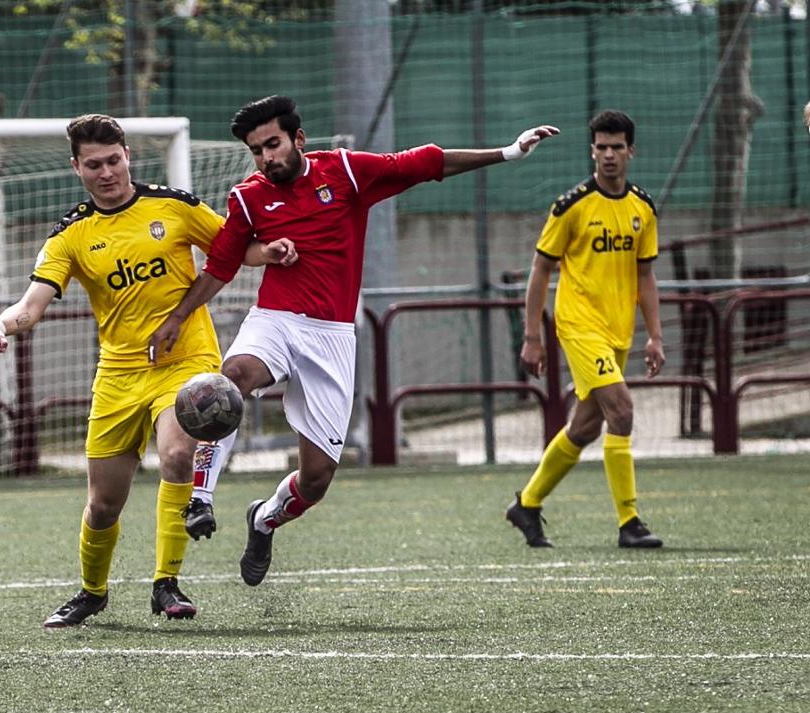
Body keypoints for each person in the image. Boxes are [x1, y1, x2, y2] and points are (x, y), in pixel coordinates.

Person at [147, 95, 559, 585]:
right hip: (275, 319)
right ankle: (202, 497)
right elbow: (220, 266)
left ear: (298, 139)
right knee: (229, 382)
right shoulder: (247, 198)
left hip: (332, 336)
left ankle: (264, 519)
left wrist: (508, 152)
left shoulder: (343, 171)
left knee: (317, 480)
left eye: (273, 145)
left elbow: (424, 163)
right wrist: (177, 317)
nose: (266, 158)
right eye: (257, 151)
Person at [0, 114, 294, 628]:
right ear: (76, 167)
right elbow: (31, 307)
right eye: (94, 165)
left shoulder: (174, 206)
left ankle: (166, 584)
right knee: (103, 505)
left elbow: (236, 250)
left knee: (176, 454)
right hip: (119, 376)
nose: (107, 172)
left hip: (185, 363)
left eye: (114, 160)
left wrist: (270, 251)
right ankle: (91, 591)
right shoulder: (71, 236)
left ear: (129, 156)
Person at [505, 109, 665, 549]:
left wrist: (655, 335)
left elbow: (645, 276)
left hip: (618, 330)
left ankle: (528, 504)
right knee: (623, 411)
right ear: (592, 151)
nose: (609, 155)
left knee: (586, 427)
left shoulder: (643, 208)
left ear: (631, 150)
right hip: (578, 325)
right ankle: (629, 521)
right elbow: (539, 271)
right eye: (601, 147)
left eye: (617, 147)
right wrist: (533, 336)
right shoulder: (571, 206)